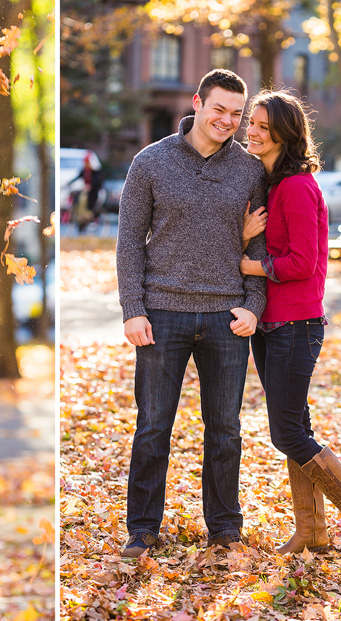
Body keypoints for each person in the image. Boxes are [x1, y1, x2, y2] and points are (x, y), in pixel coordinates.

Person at [116, 69, 268, 558]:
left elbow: (259, 246)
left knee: (224, 429)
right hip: (162, 314)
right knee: (154, 425)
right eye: (219, 109)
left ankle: (224, 529)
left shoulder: (250, 171)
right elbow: (128, 243)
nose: (227, 120)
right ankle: (142, 529)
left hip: (227, 318)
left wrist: (252, 305)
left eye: (236, 114)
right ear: (198, 103)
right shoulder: (151, 162)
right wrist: (133, 309)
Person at [240, 90, 341, 560]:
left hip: (296, 324)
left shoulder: (297, 187)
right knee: (296, 426)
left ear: (285, 135)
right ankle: (311, 531)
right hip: (273, 325)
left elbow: (305, 262)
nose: (253, 131)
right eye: (253, 122)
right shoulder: (271, 185)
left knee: (287, 432)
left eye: (264, 127)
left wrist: (252, 266)